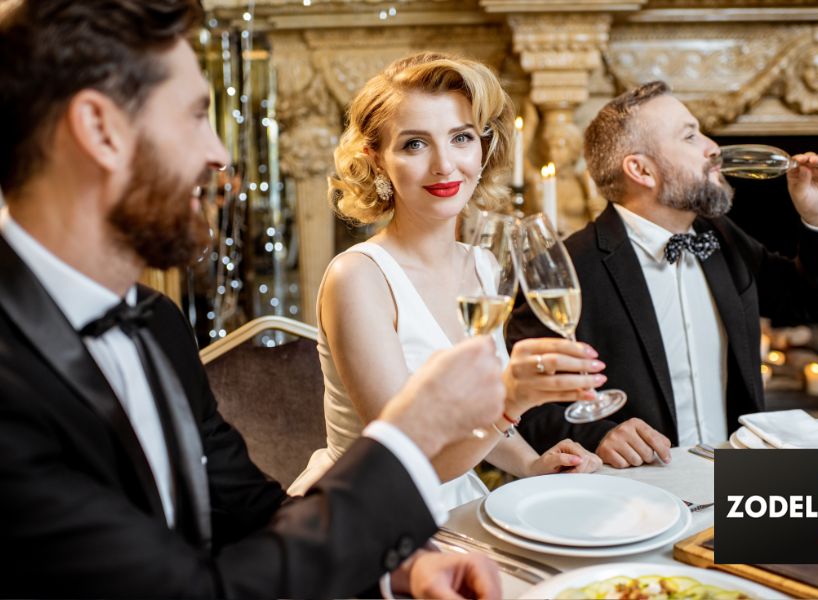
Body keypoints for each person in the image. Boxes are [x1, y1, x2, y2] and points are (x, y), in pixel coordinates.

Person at [0, 1, 507, 597]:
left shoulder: (156, 323)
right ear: (100, 130)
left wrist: (400, 565)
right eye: (195, 116)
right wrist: (412, 433)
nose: (219, 155)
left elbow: (245, 511)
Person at [287, 52, 605, 502]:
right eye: (415, 144)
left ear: (483, 146)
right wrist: (511, 402)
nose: (445, 165)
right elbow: (402, 463)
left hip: (454, 501)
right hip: (367, 516)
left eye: (461, 137)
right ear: (376, 159)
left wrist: (531, 464)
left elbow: (475, 419)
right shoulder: (357, 278)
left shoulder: (483, 265)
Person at [507, 81, 818, 469]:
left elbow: (814, 302)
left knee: (804, 527)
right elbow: (523, 406)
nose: (712, 146)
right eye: (690, 135)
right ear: (641, 170)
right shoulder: (568, 266)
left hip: (747, 477)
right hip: (645, 495)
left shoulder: (722, 236)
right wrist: (599, 436)